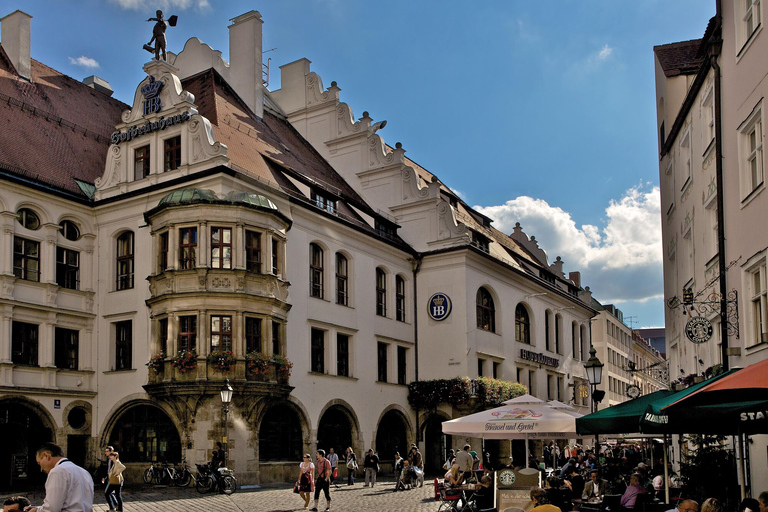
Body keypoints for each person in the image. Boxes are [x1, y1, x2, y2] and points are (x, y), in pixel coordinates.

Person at [24, 442, 93, 512]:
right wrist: (38, 509)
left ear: (47, 456)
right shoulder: (84, 472)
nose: (41, 469)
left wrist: (37, 511)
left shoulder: (57, 471)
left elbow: (52, 509)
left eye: (39, 463)